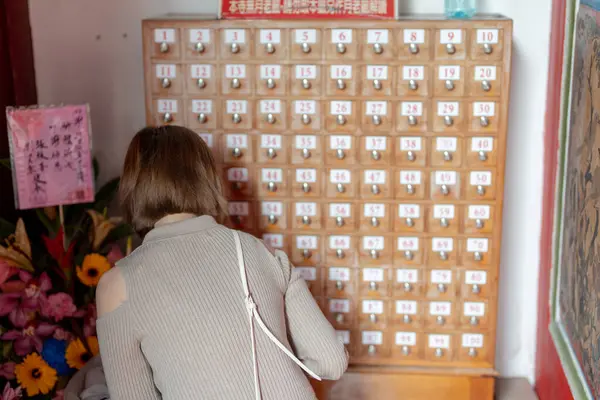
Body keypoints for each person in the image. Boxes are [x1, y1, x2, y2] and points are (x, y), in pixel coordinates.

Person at [96, 125, 348, 400]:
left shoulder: (116, 286)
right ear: (206, 178)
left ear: (133, 186)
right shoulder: (259, 250)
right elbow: (331, 362)